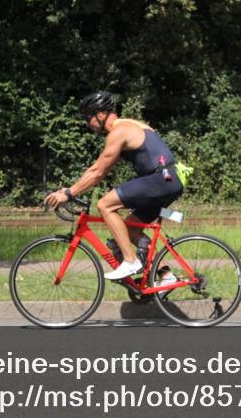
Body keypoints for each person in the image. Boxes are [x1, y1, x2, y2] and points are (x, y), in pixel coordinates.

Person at [44, 91, 183, 281]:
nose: (88, 125)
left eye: (88, 118)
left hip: (161, 179)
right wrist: (71, 188)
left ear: (100, 115)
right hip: (168, 179)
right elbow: (99, 168)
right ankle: (166, 275)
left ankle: (131, 260)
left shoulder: (119, 132)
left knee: (105, 205)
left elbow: (98, 172)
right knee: (130, 229)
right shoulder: (131, 124)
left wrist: (69, 192)